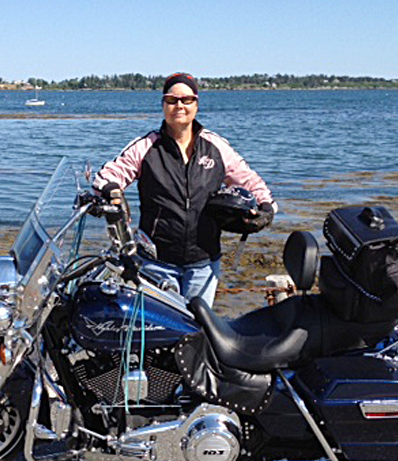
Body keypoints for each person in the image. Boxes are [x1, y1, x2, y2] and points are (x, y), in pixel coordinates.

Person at [93, 72, 276, 306]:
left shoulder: (216, 147)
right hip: (155, 264)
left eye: (186, 100)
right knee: (158, 332)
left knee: (197, 332)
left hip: (204, 264)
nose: (179, 105)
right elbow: (108, 176)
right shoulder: (146, 146)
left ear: (196, 105)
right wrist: (111, 191)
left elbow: (250, 181)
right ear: (163, 105)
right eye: (171, 100)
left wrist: (266, 209)